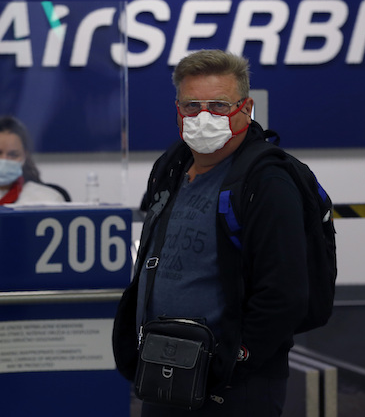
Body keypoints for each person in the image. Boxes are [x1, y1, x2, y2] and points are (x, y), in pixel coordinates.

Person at [113, 49, 309, 416]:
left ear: (246, 109)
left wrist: (232, 363)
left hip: (234, 386)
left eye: (219, 106)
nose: (203, 117)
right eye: (192, 106)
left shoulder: (266, 181)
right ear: (178, 111)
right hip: (164, 369)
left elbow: (285, 294)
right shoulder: (171, 168)